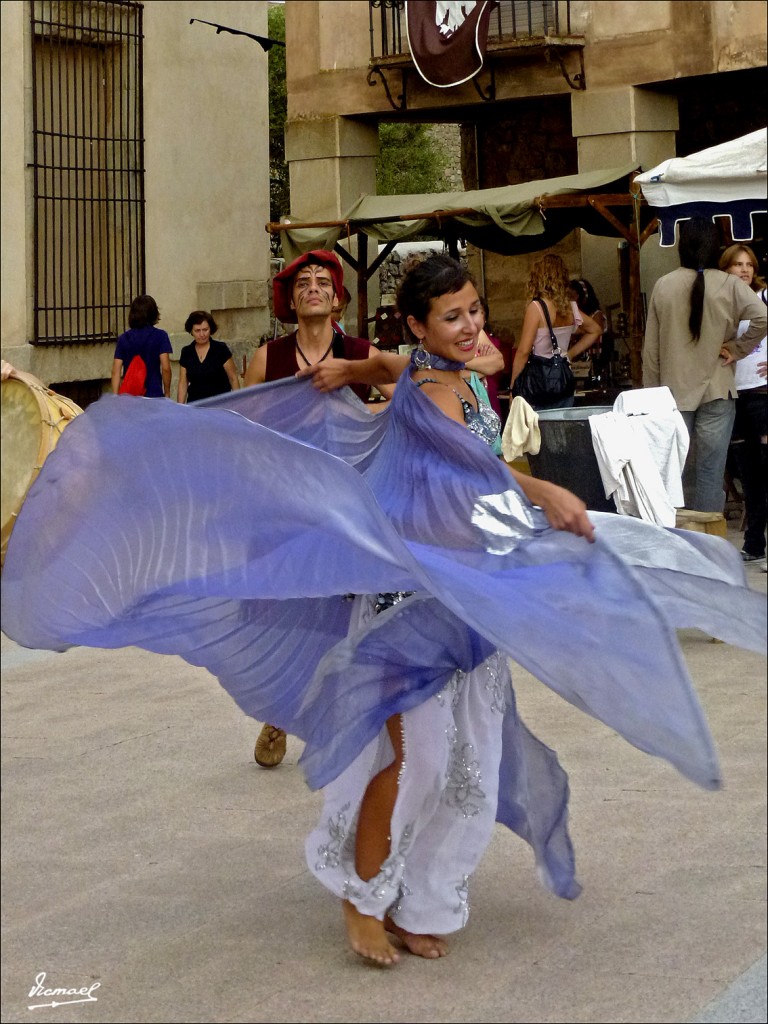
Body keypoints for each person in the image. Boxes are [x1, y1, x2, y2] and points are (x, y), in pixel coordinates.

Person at [3, 258, 765, 971]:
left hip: (468, 590)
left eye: (473, 311)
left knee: (475, 757)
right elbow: (479, 463)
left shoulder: (449, 375)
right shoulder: (432, 396)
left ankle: (423, 900)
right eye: (452, 317)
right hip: (411, 601)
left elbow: (401, 371)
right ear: (420, 325)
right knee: (417, 759)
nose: (471, 327)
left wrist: (355, 365)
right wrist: (551, 494)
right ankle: (361, 898)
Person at [243, 250, 395, 767]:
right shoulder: (269, 357)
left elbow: (406, 401)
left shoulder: (359, 351)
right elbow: (247, 431)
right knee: (290, 611)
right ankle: (282, 708)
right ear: (292, 299)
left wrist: (359, 412)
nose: (312, 287)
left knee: (344, 612)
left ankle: (342, 714)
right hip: (291, 504)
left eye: (322, 281)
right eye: (302, 281)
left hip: (347, 503)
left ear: (336, 298)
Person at [643, 218, 767, 513]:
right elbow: (763, 317)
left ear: (682, 247)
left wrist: (649, 397)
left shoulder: (663, 285)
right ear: (716, 247)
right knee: (711, 476)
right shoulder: (729, 284)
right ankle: (709, 546)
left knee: (672, 473)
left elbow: (651, 351)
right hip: (718, 389)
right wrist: (738, 349)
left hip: (671, 394)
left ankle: (679, 543)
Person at [718, 244, 767, 567]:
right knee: (748, 475)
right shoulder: (721, 304)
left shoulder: (764, 298)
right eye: (737, 265)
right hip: (734, 394)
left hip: (763, 393)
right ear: (726, 269)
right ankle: (754, 544)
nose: (745, 270)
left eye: (749, 264)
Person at [510, 254, 602, 410]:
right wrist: (569, 355)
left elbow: (523, 351)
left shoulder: (537, 307)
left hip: (540, 380)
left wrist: (514, 386)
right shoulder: (570, 307)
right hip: (563, 378)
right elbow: (595, 330)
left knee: (540, 429)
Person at [111, 295, 172, 398]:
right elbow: (166, 368)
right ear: (154, 313)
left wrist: (115, 397)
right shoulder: (161, 336)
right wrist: (167, 391)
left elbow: (115, 371)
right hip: (154, 394)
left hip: (130, 395)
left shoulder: (124, 338)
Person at [177, 311, 240, 404]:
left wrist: (239, 403)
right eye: (197, 331)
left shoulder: (221, 349)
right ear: (191, 331)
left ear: (211, 329)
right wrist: (180, 408)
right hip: (196, 406)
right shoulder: (187, 352)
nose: (202, 334)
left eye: (205, 330)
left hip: (220, 405)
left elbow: (233, 378)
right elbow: (183, 383)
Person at [569, 277, 613, 387]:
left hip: (596, 361)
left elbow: (595, 329)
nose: (572, 301)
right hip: (579, 363)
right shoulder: (576, 316)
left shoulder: (596, 314)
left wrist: (575, 331)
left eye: (574, 297)